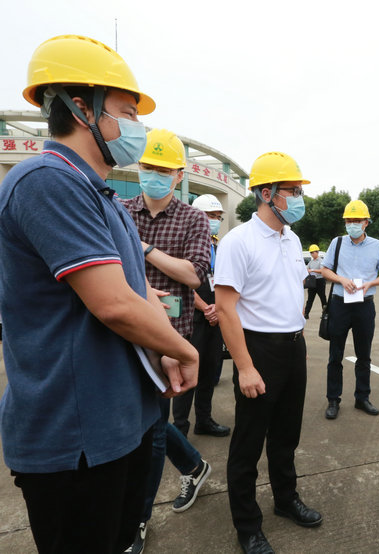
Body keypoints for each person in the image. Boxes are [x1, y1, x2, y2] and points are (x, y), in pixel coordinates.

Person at [0, 35, 198, 553]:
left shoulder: (103, 194)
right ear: (80, 107)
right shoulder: (47, 180)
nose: (138, 128)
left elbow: (141, 294)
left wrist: (163, 348)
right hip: (75, 439)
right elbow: (114, 304)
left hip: (121, 423)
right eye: (127, 112)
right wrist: (185, 349)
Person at [216, 152, 322, 554]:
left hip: (293, 346)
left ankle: (285, 499)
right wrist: (245, 367)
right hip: (257, 349)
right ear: (267, 193)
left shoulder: (291, 238)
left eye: (298, 191)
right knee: (248, 441)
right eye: (292, 191)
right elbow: (226, 308)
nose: (298, 198)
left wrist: (297, 338)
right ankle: (247, 526)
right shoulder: (237, 242)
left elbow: (292, 291)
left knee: (286, 435)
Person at [122, 129, 214, 552]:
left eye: (163, 170)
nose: (154, 176)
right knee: (151, 420)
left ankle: (138, 518)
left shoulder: (193, 218)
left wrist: (142, 249)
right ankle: (195, 466)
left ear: (178, 175)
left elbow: (194, 274)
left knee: (153, 428)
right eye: (148, 168)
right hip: (125, 330)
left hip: (172, 337)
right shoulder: (120, 209)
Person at [322, 200, 379, 420]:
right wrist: (342, 280)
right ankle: (333, 399)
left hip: (364, 305)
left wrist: (371, 284)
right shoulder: (337, 242)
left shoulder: (377, 246)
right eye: (348, 220)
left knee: (364, 355)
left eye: (356, 220)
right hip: (339, 304)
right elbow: (324, 270)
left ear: (366, 223)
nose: (352, 224)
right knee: (336, 354)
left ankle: (362, 397)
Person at [173, 194, 231, 438]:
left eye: (217, 217)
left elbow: (221, 280)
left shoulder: (216, 246)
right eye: (210, 216)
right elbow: (182, 282)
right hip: (193, 319)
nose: (214, 221)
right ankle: (179, 429)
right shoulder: (183, 245)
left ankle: (204, 420)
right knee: (189, 371)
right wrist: (205, 308)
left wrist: (217, 309)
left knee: (209, 370)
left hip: (215, 319)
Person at [304, 244, 327, 319]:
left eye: (313, 252)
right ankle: (306, 314)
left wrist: (312, 270)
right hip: (312, 281)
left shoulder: (321, 261)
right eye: (311, 253)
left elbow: (322, 270)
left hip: (320, 281)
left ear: (317, 252)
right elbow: (307, 269)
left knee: (323, 298)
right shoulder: (311, 262)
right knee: (310, 299)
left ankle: (325, 313)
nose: (312, 254)